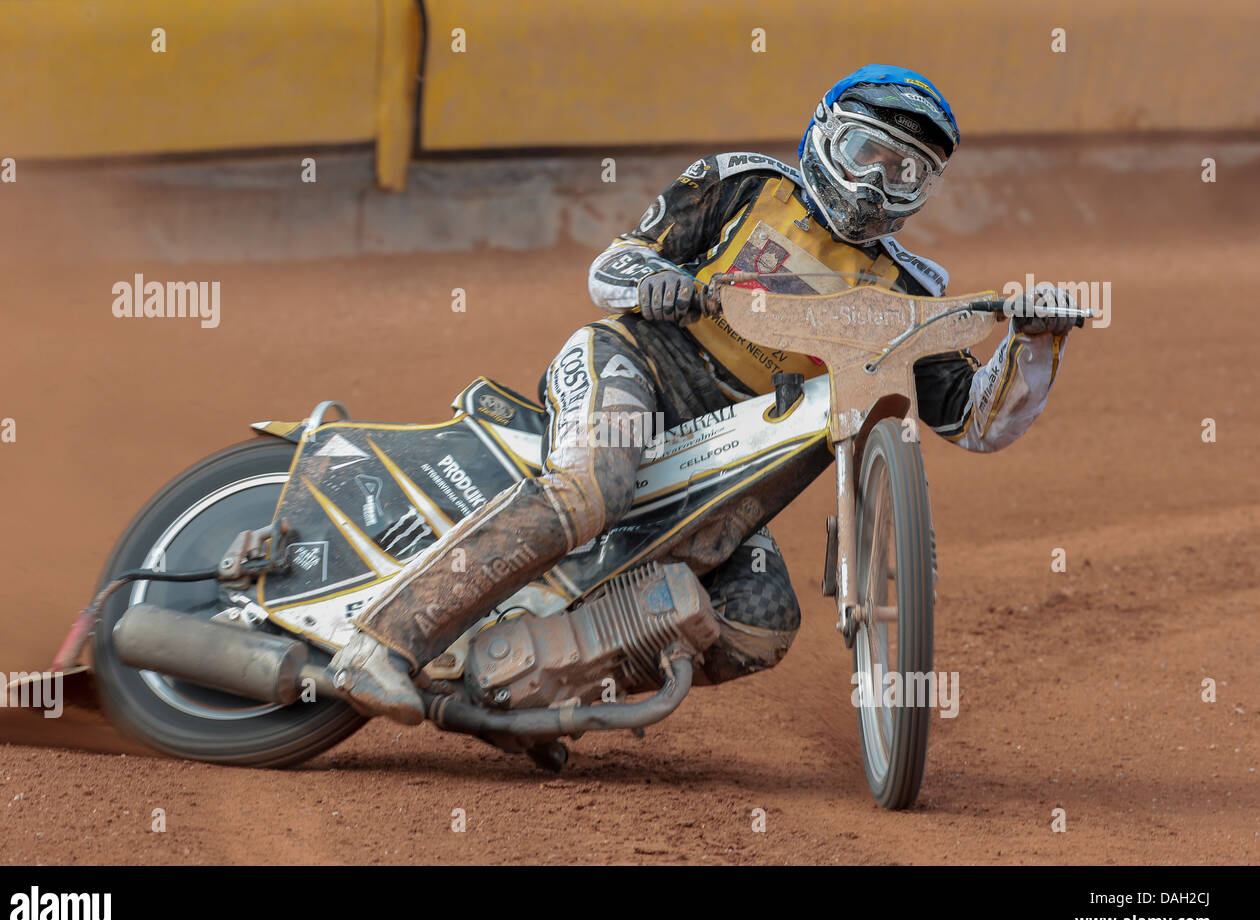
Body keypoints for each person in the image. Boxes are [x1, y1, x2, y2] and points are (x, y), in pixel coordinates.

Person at [328, 64, 1080, 724]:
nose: (878, 184)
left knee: (761, 622)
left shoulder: (916, 291)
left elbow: (976, 421)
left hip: (733, 468)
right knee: (597, 482)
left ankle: (538, 691)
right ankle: (382, 643)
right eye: (866, 155)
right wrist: (657, 284)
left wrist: (1035, 339)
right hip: (637, 369)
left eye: (905, 173)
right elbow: (614, 265)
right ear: (824, 134)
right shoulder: (742, 183)